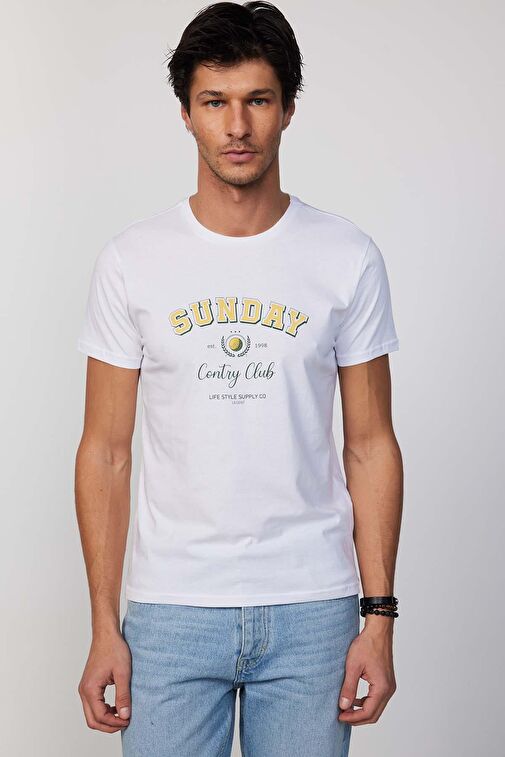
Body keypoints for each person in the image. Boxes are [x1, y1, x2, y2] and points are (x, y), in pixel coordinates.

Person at [75, 2, 403, 755]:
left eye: (257, 100)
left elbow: (370, 444)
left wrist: (378, 618)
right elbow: (106, 452)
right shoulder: (132, 261)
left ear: (287, 109)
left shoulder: (346, 256)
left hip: (312, 609)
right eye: (214, 102)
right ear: (186, 114)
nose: (237, 126)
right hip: (170, 610)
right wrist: (102, 626)